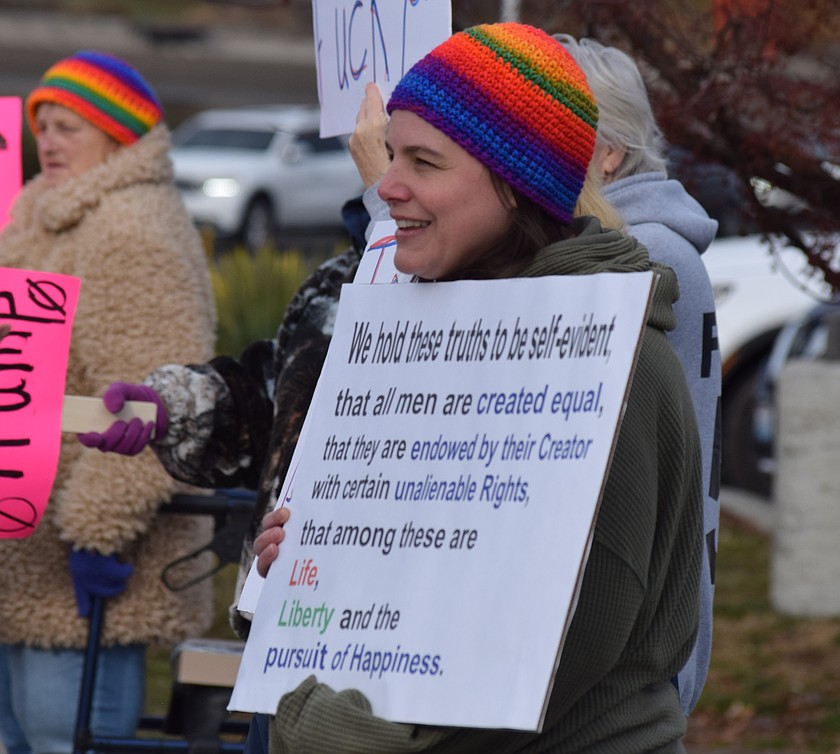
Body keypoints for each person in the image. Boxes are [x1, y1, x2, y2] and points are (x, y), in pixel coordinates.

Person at [250, 22, 703, 753]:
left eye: (424, 162)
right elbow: (409, 589)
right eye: (391, 154)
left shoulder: (612, 365)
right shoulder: (413, 334)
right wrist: (300, 572)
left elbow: (538, 661)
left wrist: (311, 717)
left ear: (518, 186)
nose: (387, 185)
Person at [0, 50, 217, 753]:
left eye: (70, 126)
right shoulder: (40, 221)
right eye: (44, 127)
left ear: (118, 137)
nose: (50, 142)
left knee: (68, 743)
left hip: (81, 576)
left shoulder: (130, 231)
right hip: (22, 554)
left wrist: (96, 532)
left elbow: (158, 400)